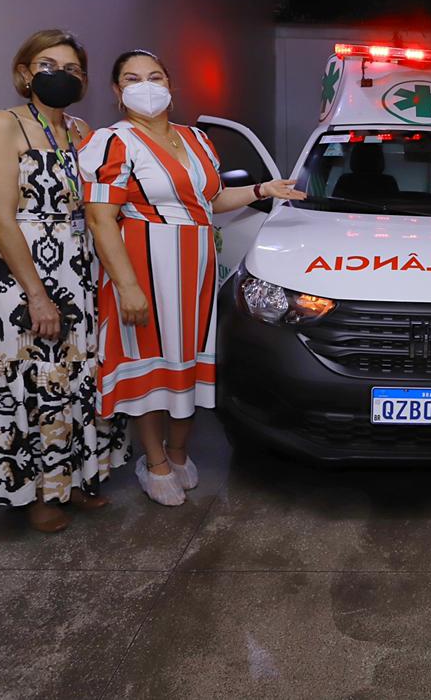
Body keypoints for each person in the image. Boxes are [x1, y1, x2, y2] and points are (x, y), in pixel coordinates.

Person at [80, 50, 305, 506]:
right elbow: (102, 218)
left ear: (171, 84)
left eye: (155, 76)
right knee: (149, 360)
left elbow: (212, 201)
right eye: (132, 78)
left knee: (188, 357)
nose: (146, 85)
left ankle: (178, 453)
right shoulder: (112, 141)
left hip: (196, 268)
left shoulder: (197, 139)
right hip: (142, 262)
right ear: (116, 91)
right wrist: (126, 285)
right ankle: (154, 460)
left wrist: (263, 189)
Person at [0, 29, 128, 533]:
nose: (62, 74)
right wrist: (36, 294)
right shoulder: (5, 123)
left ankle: (73, 481)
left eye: (74, 69)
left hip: (79, 267)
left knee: (77, 373)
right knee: (29, 378)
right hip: (22, 273)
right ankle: (33, 493)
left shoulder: (84, 132)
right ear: (26, 71)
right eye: (49, 64)